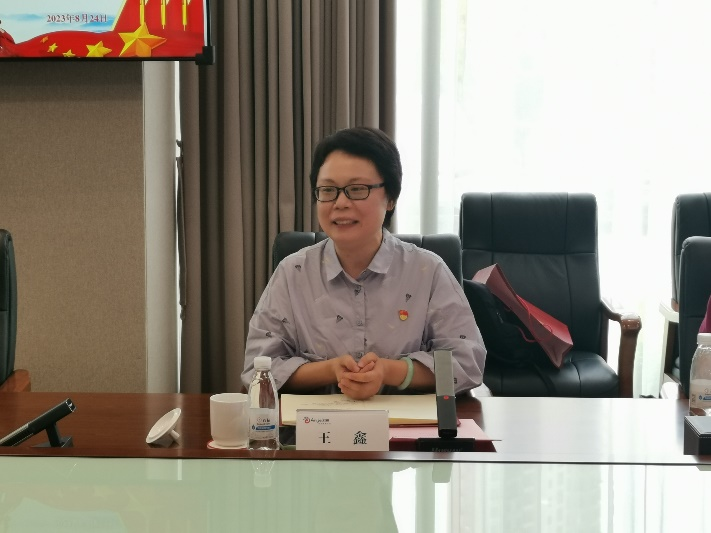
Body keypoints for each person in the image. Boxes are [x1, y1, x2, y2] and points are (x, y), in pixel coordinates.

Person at [241, 126, 486, 399]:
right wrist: (330, 370)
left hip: (405, 424)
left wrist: (390, 371)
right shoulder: (292, 273)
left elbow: (468, 363)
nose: (340, 203)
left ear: (390, 198)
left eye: (357, 189)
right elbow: (257, 370)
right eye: (328, 190)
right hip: (315, 425)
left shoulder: (427, 271)